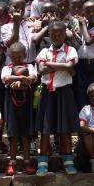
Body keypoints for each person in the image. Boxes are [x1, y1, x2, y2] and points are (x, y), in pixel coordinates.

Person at [36, 21, 78, 176]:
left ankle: (68, 162)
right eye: (53, 33)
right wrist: (63, 66)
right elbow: (41, 69)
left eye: (60, 33)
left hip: (64, 92)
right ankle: (42, 163)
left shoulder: (70, 49)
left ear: (64, 34)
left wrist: (51, 65)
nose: (56, 36)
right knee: (46, 129)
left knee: (65, 128)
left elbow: (70, 67)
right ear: (48, 34)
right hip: (47, 92)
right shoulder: (43, 51)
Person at [1, 42, 37, 175]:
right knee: (13, 134)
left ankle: (27, 162)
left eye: (19, 56)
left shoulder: (31, 66)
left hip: (26, 104)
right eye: (14, 57)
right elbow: (6, 79)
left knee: (25, 134)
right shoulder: (6, 68)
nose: (16, 59)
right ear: (10, 56)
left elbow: (32, 78)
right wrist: (22, 78)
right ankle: (12, 163)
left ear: (25, 55)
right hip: (11, 104)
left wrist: (19, 82)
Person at [1, 0, 36, 64]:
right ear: (8, 9)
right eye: (15, 7)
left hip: (30, 64)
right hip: (13, 65)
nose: (18, 10)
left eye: (22, 8)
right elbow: (10, 44)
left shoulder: (31, 24)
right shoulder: (5, 27)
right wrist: (16, 22)